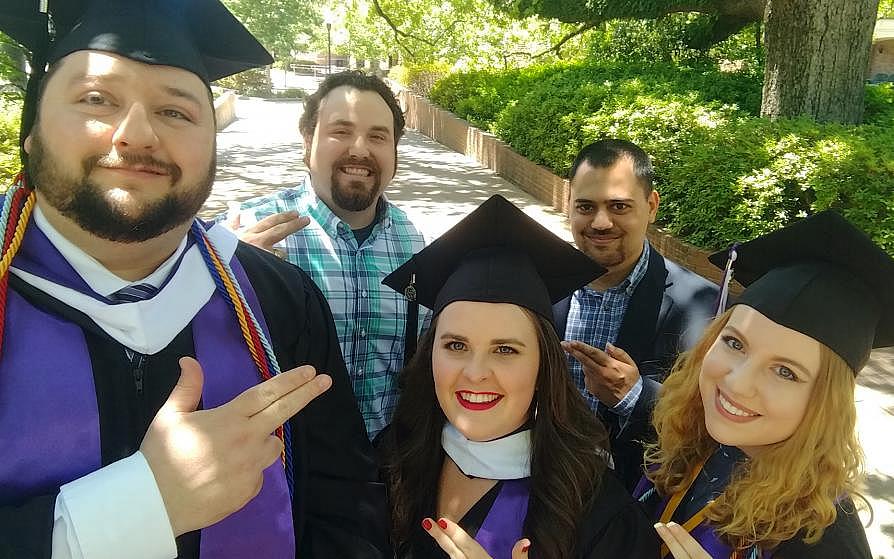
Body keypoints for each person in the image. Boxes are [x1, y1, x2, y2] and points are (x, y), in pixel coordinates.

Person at [0, 1, 389, 557]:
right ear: (32, 130)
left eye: (175, 112)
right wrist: (138, 508)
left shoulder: (280, 301)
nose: (137, 134)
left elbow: (345, 511)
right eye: (97, 99)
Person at [380, 195, 659, 559]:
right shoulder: (393, 458)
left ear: (544, 367)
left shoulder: (596, 511)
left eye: (505, 350)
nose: (476, 373)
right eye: (456, 345)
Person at [635, 210, 891, 558]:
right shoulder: (692, 440)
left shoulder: (825, 540)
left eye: (785, 371)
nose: (738, 383)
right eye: (734, 343)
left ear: (827, 402)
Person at [225, 71, 426, 440]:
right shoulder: (247, 233)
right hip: (281, 462)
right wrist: (221, 278)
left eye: (378, 136)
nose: (360, 149)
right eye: (341, 131)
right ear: (308, 141)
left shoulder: (412, 244)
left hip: (383, 463)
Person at [555, 138, 719, 489]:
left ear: (651, 205)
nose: (600, 222)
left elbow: (708, 422)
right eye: (585, 206)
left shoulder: (702, 307)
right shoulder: (539, 284)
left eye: (619, 206)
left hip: (633, 496)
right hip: (537, 483)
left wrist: (634, 396)